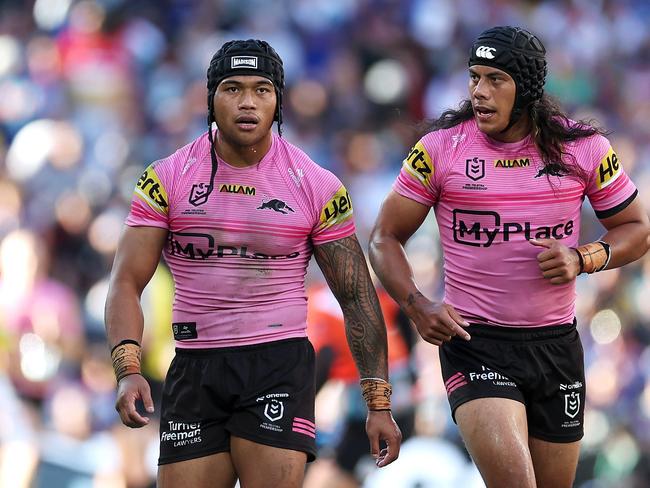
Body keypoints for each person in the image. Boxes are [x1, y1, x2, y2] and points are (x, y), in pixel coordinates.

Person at [105, 39, 401, 488]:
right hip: (194, 364)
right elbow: (126, 280)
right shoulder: (165, 179)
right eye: (232, 88)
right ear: (211, 98)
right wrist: (127, 370)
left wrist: (378, 401)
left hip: (277, 364)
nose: (247, 102)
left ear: (279, 100)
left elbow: (357, 297)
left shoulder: (316, 185)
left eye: (262, 89)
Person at [368, 26, 650, 488]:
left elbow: (638, 229)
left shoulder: (582, 147)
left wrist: (584, 258)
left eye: (495, 79)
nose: (479, 91)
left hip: (556, 346)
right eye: (474, 77)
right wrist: (417, 306)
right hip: (476, 343)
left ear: (527, 90)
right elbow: (384, 237)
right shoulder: (441, 149)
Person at [304, 282, 417, 488]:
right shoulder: (382, 295)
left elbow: (323, 360)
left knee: (335, 474)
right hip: (402, 399)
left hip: (369, 407)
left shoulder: (319, 303)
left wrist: (301, 408)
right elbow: (408, 340)